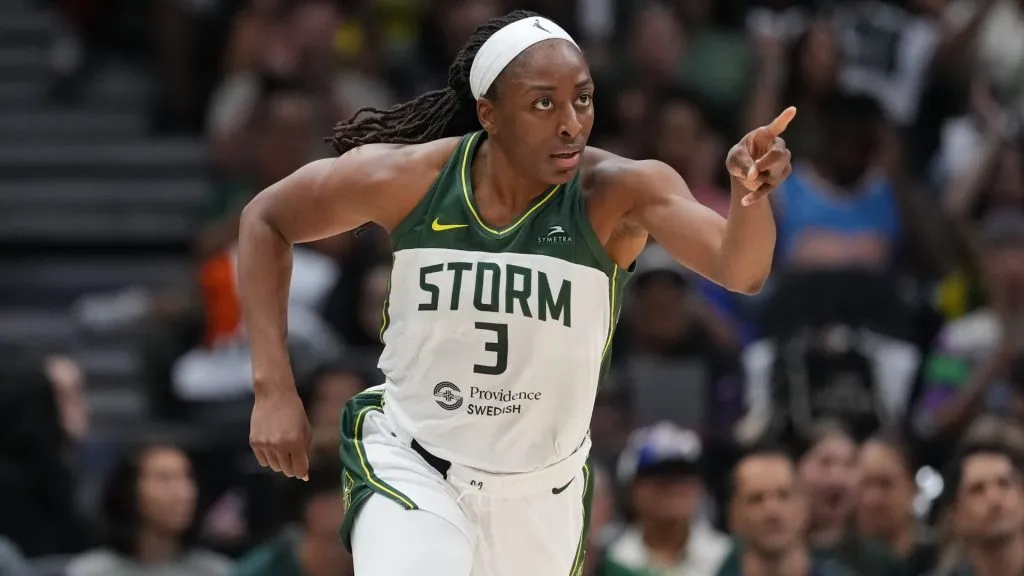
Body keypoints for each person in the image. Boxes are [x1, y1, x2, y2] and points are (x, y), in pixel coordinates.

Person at [240, 10, 794, 575]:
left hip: (542, 494)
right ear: (490, 114)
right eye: (543, 103)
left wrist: (749, 194)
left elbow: (741, 270)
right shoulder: (411, 179)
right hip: (414, 465)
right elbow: (266, 218)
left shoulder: (618, 191)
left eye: (582, 99)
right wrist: (273, 387)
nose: (571, 124)